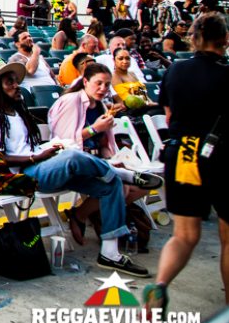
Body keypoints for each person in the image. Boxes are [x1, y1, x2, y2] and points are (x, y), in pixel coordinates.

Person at [0, 62, 149, 277]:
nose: (16, 85)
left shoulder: (18, 112)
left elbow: (30, 146)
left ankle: (110, 253)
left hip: (41, 166)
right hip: (22, 175)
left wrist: (47, 149)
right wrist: (35, 157)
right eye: (9, 82)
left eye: (16, 81)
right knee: (74, 156)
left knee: (110, 184)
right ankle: (119, 172)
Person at [144, 13, 229, 311]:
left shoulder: (175, 71)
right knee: (228, 238)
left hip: (183, 154)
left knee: (183, 236)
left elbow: (169, 117)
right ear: (225, 40)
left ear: (193, 38)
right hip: (222, 157)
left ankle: (159, 287)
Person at [47, 62, 161, 246]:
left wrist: (112, 159)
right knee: (121, 187)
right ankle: (81, 215)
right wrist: (94, 129)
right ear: (85, 81)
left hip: (98, 159)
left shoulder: (100, 105)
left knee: (143, 184)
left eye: (107, 84)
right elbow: (63, 142)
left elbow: (104, 144)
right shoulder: (71, 101)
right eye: (98, 83)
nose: (103, 88)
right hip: (75, 162)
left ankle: (96, 213)